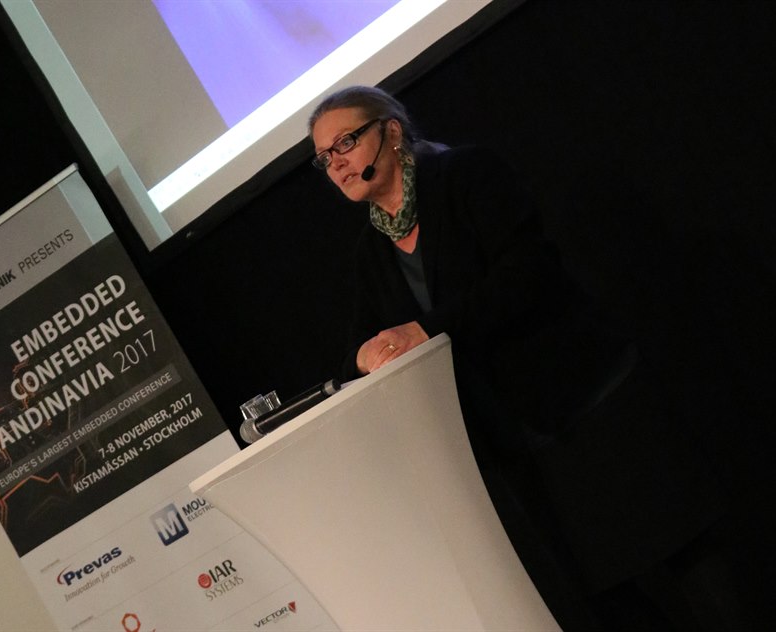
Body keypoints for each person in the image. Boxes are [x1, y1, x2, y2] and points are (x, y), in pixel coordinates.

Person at [308, 85, 753, 631]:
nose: (337, 163)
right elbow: (356, 349)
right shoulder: (370, 253)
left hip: (589, 397)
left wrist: (426, 329)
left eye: (346, 142)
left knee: (684, 552)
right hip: (522, 441)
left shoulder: (467, 176)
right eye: (324, 157)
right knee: (604, 591)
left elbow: (526, 275)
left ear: (392, 132)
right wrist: (364, 355)